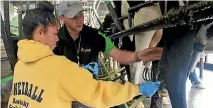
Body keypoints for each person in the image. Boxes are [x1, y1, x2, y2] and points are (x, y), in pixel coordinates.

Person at [7, 1, 161, 108]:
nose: (79, 19)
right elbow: (99, 93)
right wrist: (137, 89)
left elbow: (118, 55)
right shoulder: (58, 59)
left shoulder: (20, 66)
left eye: (81, 14)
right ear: (62, 19)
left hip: (80, 93)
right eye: (74, 16)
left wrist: (138, 56)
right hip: (86, 94)